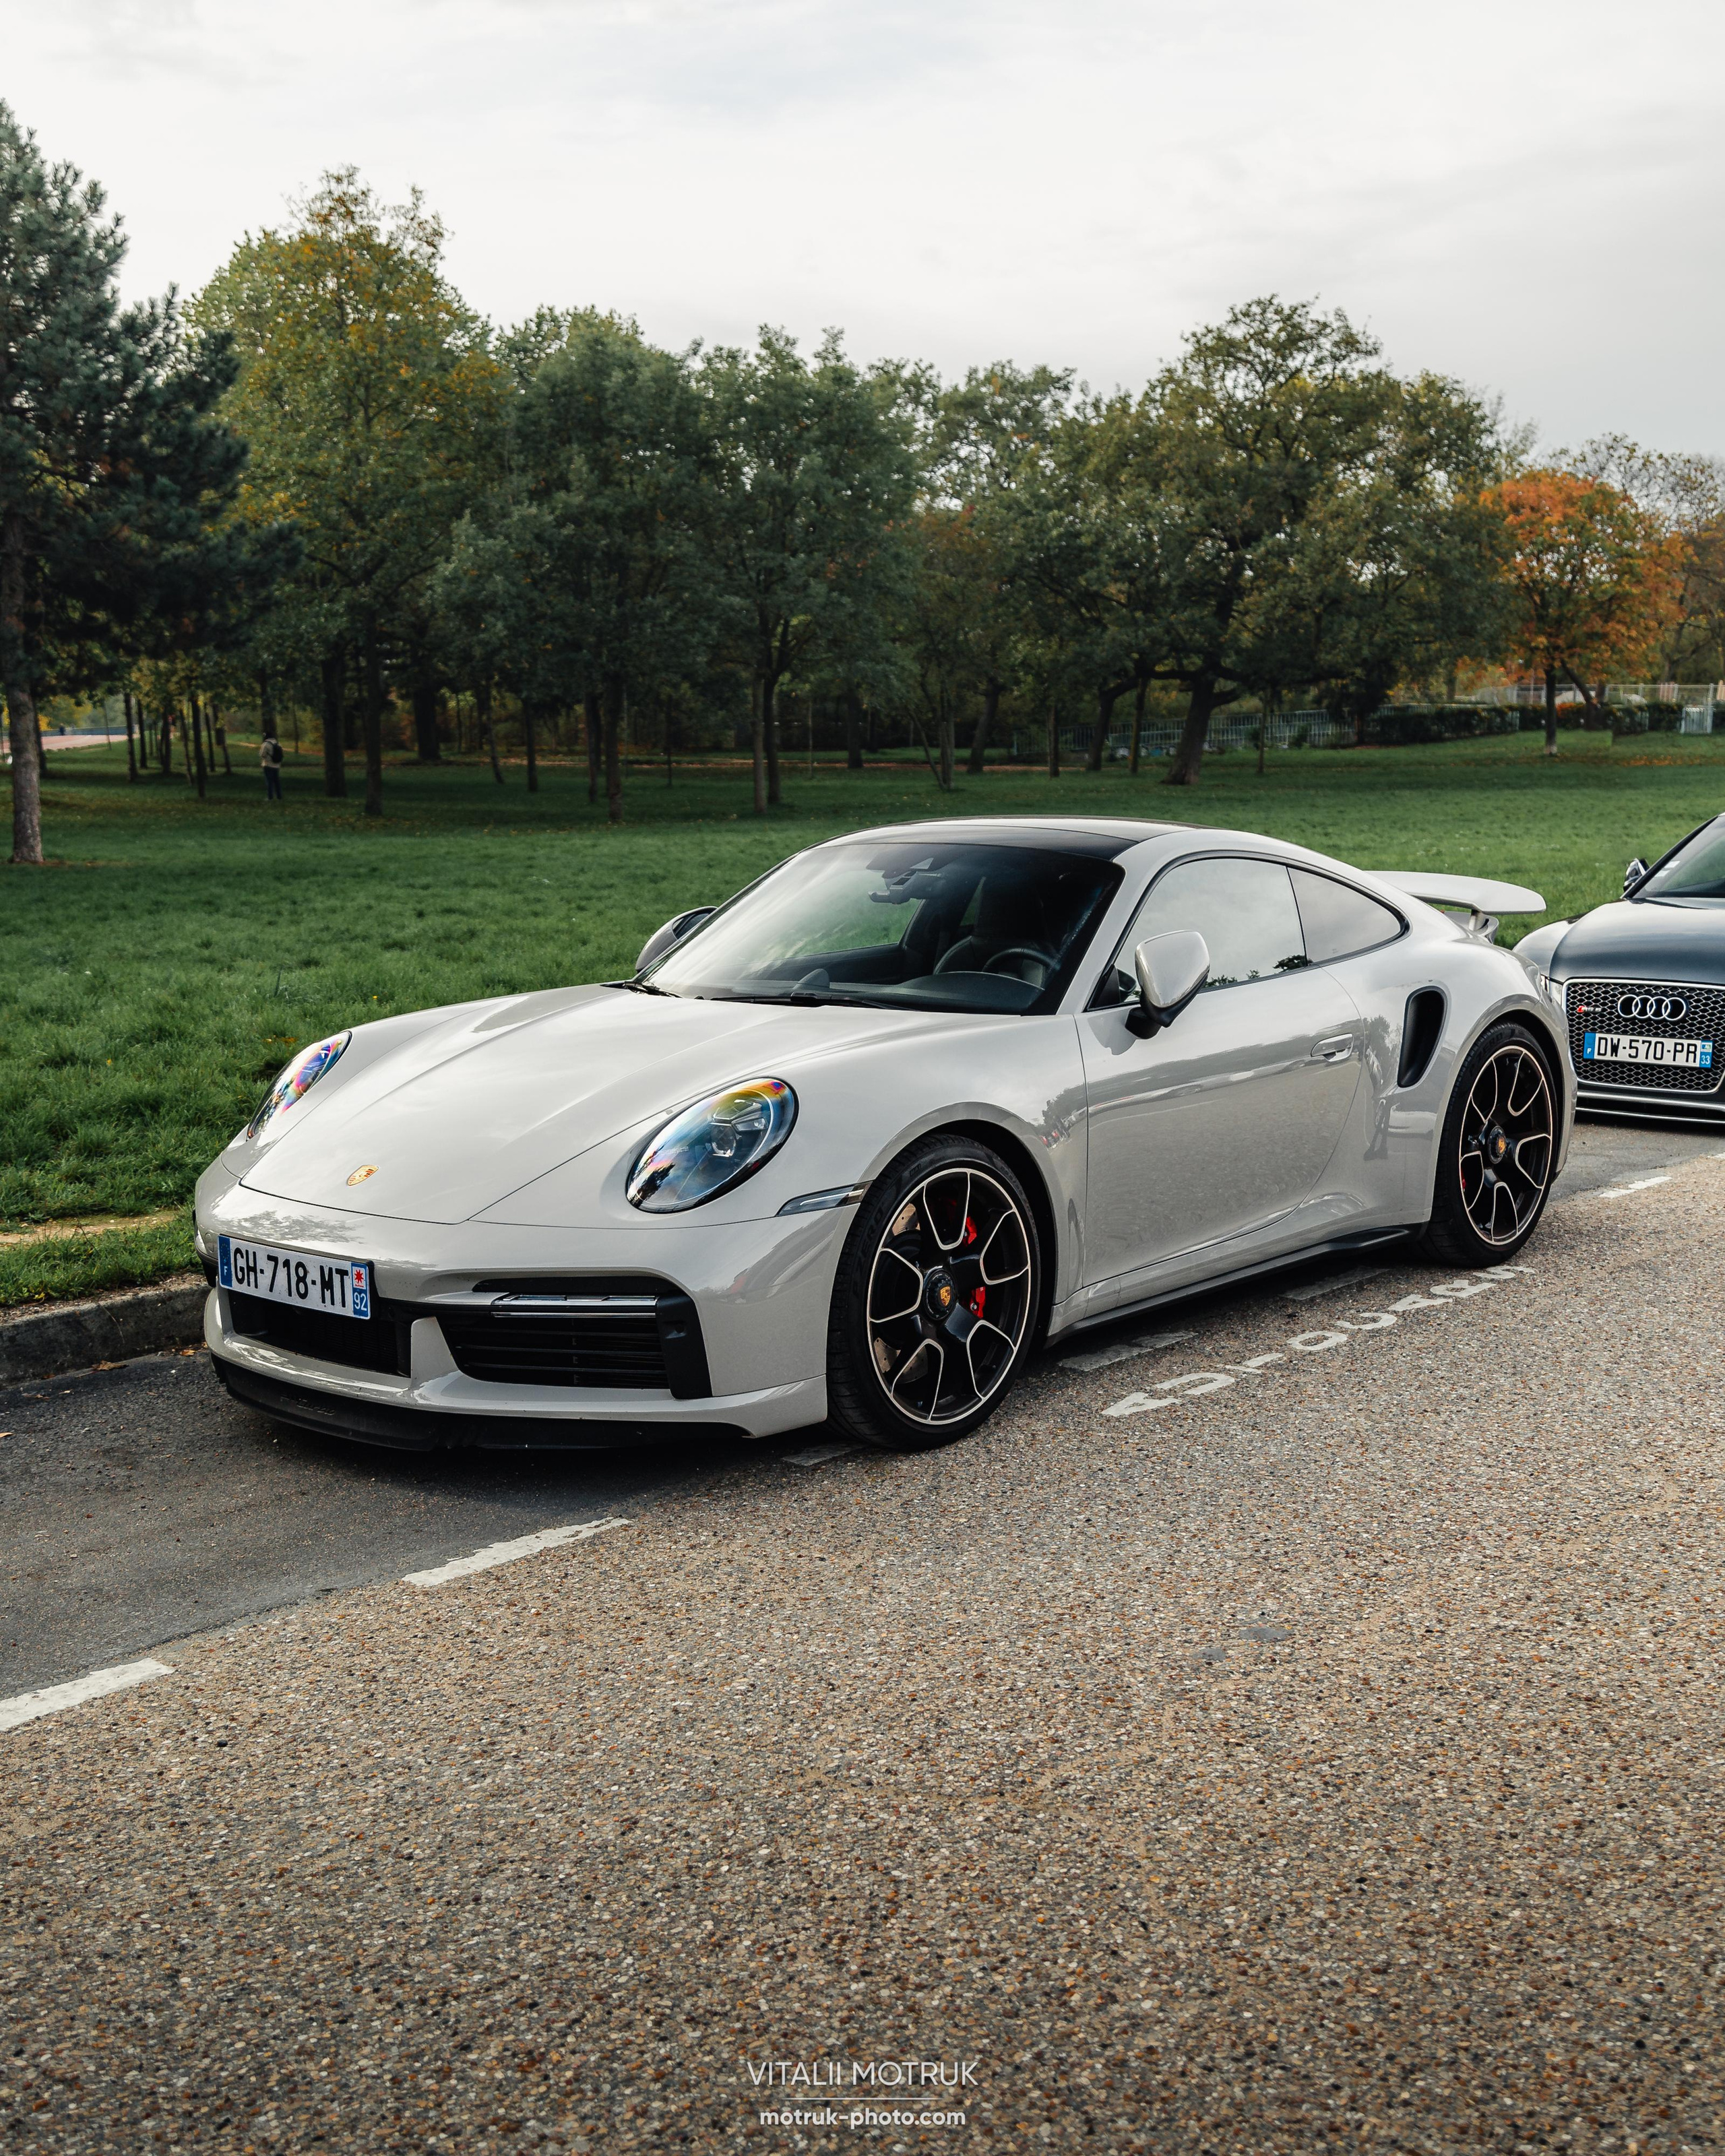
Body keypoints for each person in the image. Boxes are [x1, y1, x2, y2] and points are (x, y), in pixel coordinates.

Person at [260, 732, 284, 800]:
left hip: (268, 765)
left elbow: (262, 754)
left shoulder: (265, 744)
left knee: (269, 782)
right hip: (277, 766)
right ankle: (279, 796)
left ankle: (270, 797)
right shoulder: (278, 744)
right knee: (277, 781)